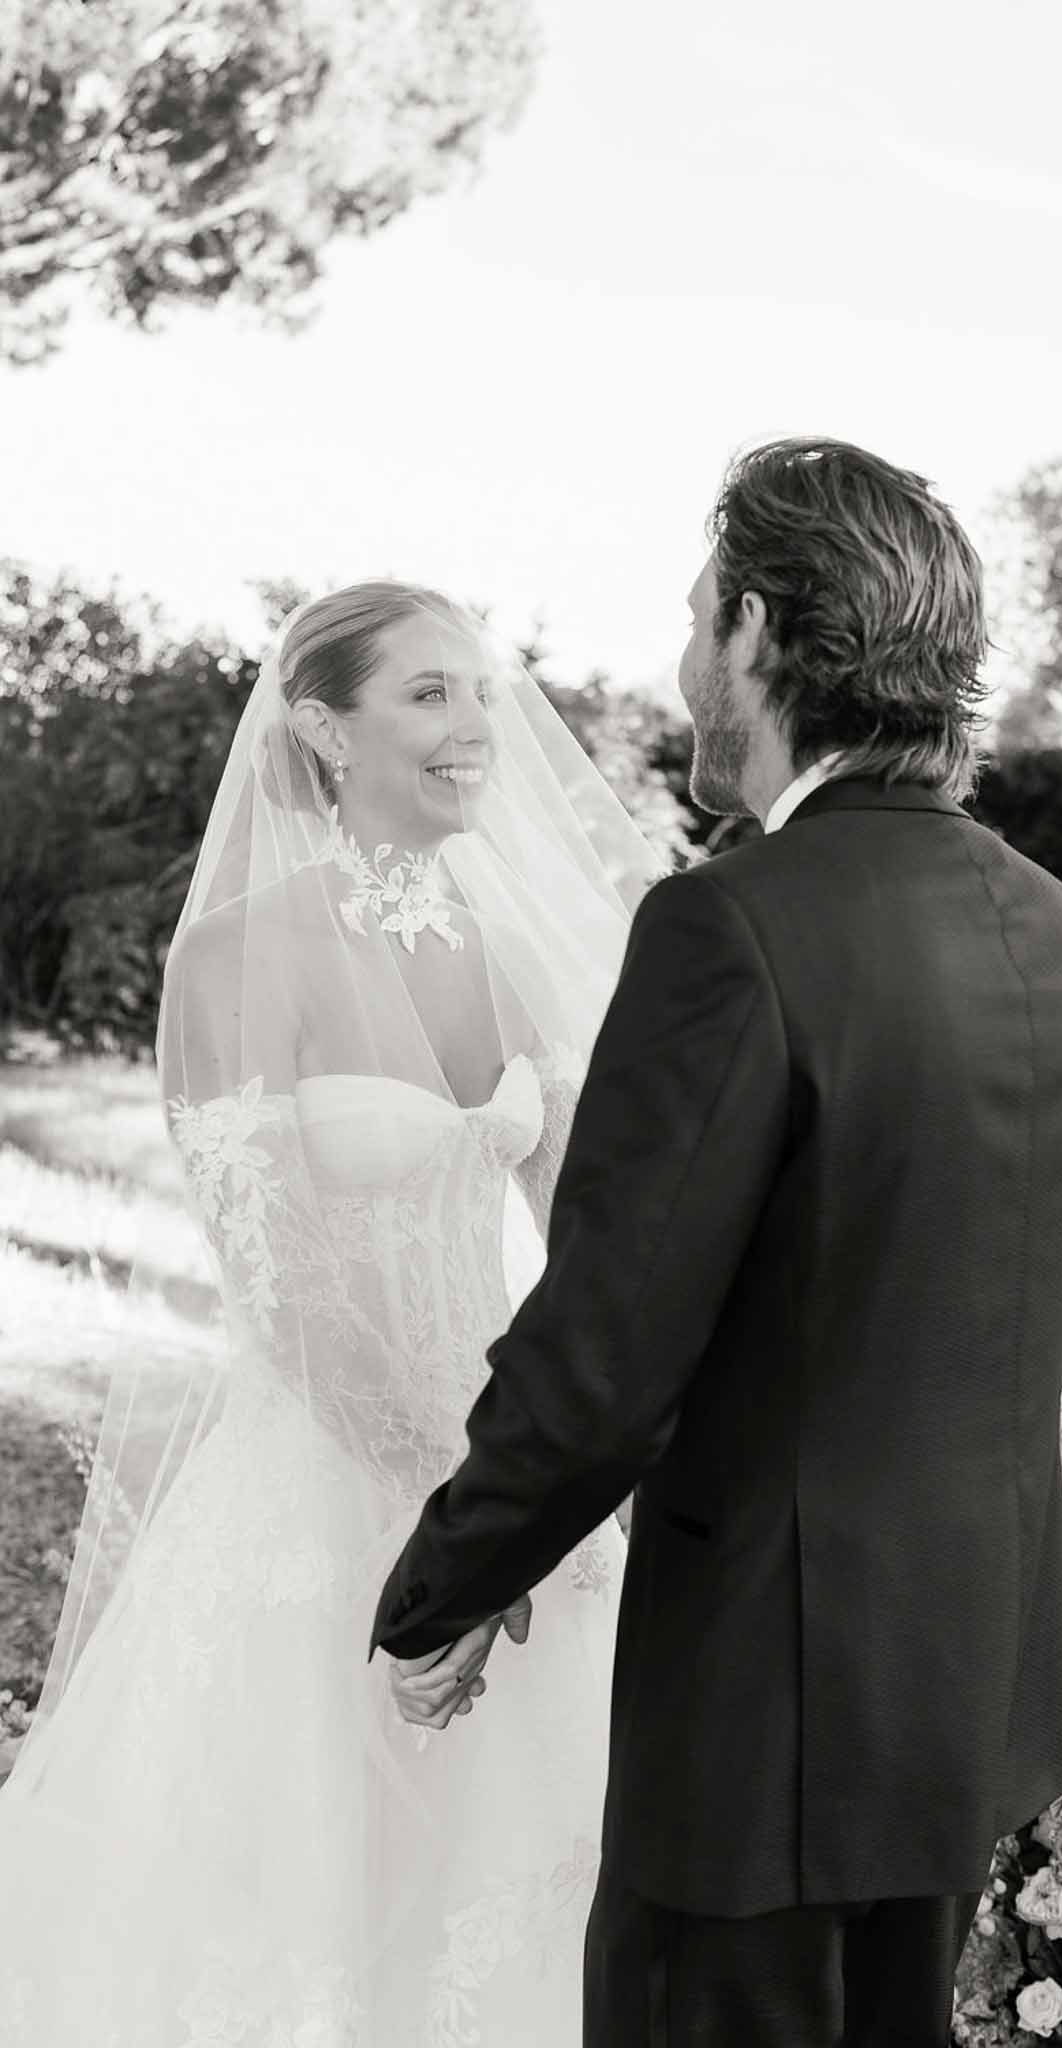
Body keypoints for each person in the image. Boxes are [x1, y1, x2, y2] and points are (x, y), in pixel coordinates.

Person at [372, 439, 1062, 2048]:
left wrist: (450, 1580)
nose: (678, 659)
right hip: (954, 1701)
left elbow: (605, 1352)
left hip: (755, 1729)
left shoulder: (730, 924)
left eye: (693, 614)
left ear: (760, 631)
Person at [0, 581, 665, 2044]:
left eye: (480, 691)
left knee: (546, 1877)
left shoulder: (503, 947)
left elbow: (594, 1239)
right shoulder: (241, 951)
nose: (477, 726)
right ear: (319, 728)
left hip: (506, 1460)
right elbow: (279, 1291)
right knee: (305, 1897)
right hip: (323, 1466)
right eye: (428, 694)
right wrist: (449, 1518)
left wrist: (550, 1478)